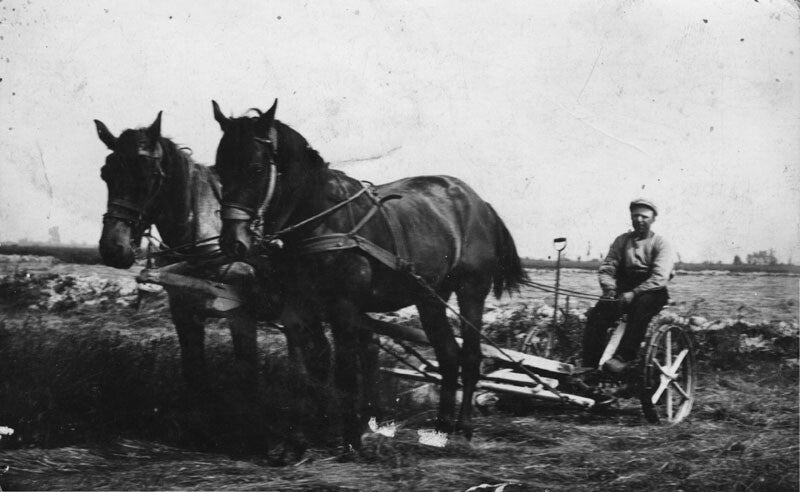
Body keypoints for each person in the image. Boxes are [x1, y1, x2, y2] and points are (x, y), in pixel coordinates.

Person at [582, 198, 675, 373]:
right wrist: (610, 288)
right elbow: (607, 268)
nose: (639, 220)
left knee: (640, 308)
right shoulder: (622, 241)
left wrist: (634, 293)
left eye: (644, 217)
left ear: (653, 219)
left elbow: (659, 277)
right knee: (599, 313)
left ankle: (624, 357)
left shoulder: (661, 243)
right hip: (623, 288)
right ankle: (589, 366)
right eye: (635, 216)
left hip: (652, 291)